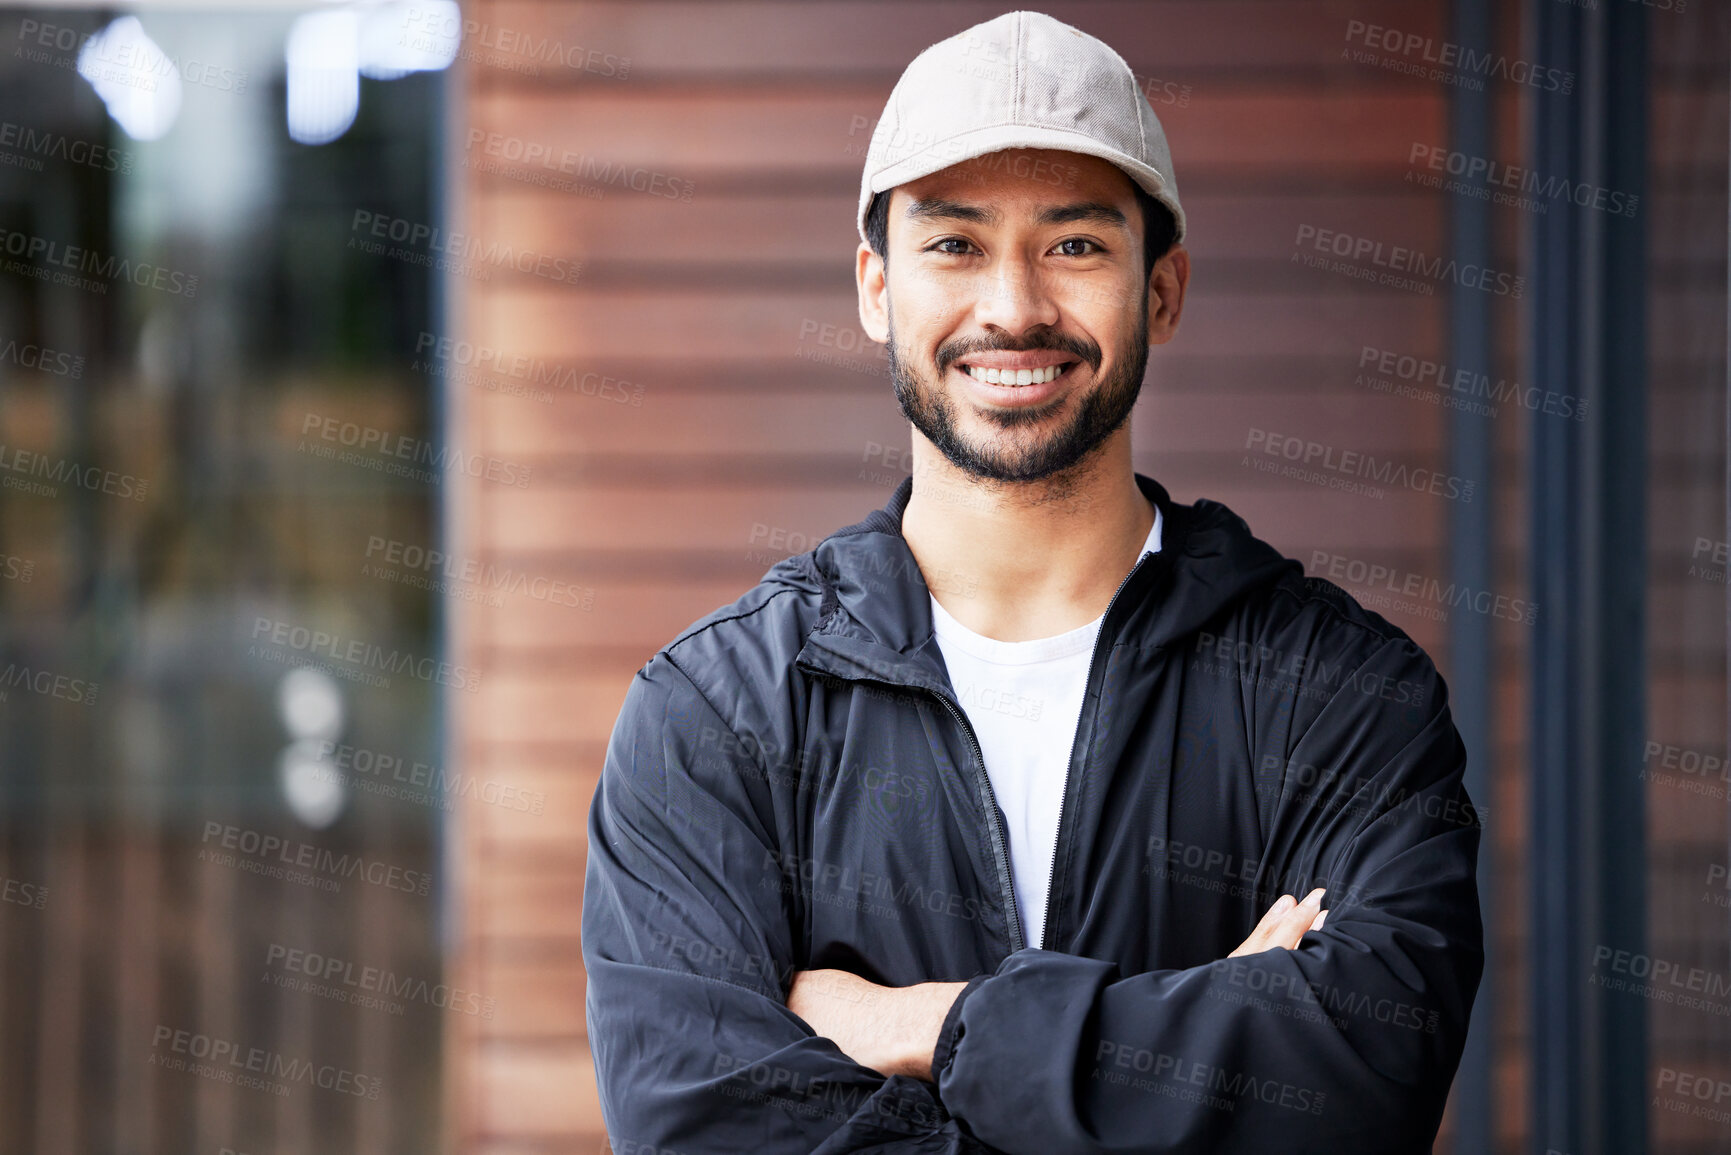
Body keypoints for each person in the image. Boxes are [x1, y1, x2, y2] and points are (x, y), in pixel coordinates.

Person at [582, 10, 1483, 1153]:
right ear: (876, 288)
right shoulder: (715, 715)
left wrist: (940, 1029)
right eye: (955, 244)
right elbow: (702, 1132)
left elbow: (1356, 1086)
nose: (1012, 307)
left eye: (1074, 245)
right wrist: (1184, 1043)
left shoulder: (1343, 698)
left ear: (1162, 290)